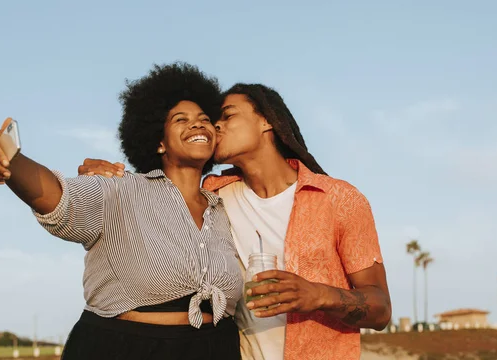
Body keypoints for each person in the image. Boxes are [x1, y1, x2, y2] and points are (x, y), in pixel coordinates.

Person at [80, 83, 392, 360]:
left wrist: (317, 295)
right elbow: (153, 194)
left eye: (226, 116)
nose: (214, 126)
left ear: (267, 120)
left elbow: (380, 309)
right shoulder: (212, 196)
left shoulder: (339, 198)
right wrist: (106, 173)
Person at [0, 63, 243, 360]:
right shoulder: (120, 189)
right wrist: (8, 157)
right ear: (159, 142)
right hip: (129, 349)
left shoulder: (223, 208)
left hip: (216, 347)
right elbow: (59, 197)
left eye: (204, 119)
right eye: (181, 119)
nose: (197, 124)